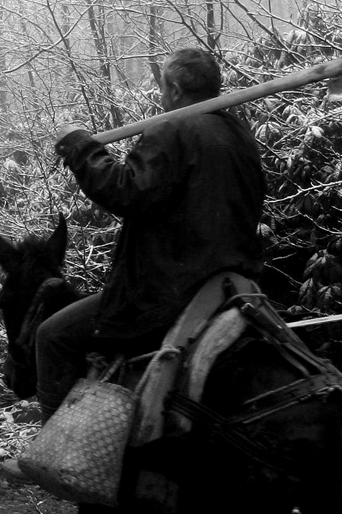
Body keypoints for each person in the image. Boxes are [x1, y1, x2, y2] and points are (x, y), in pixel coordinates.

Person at [37, 46, 267, 416]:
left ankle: (53, 449)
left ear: (174, 89)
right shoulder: (240, 135)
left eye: (162, 88)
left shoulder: (173, 129)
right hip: (230, 281)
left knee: (53, 336)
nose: (161, 96)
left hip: (169, 290)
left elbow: (126, 190)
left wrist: (80, 147)